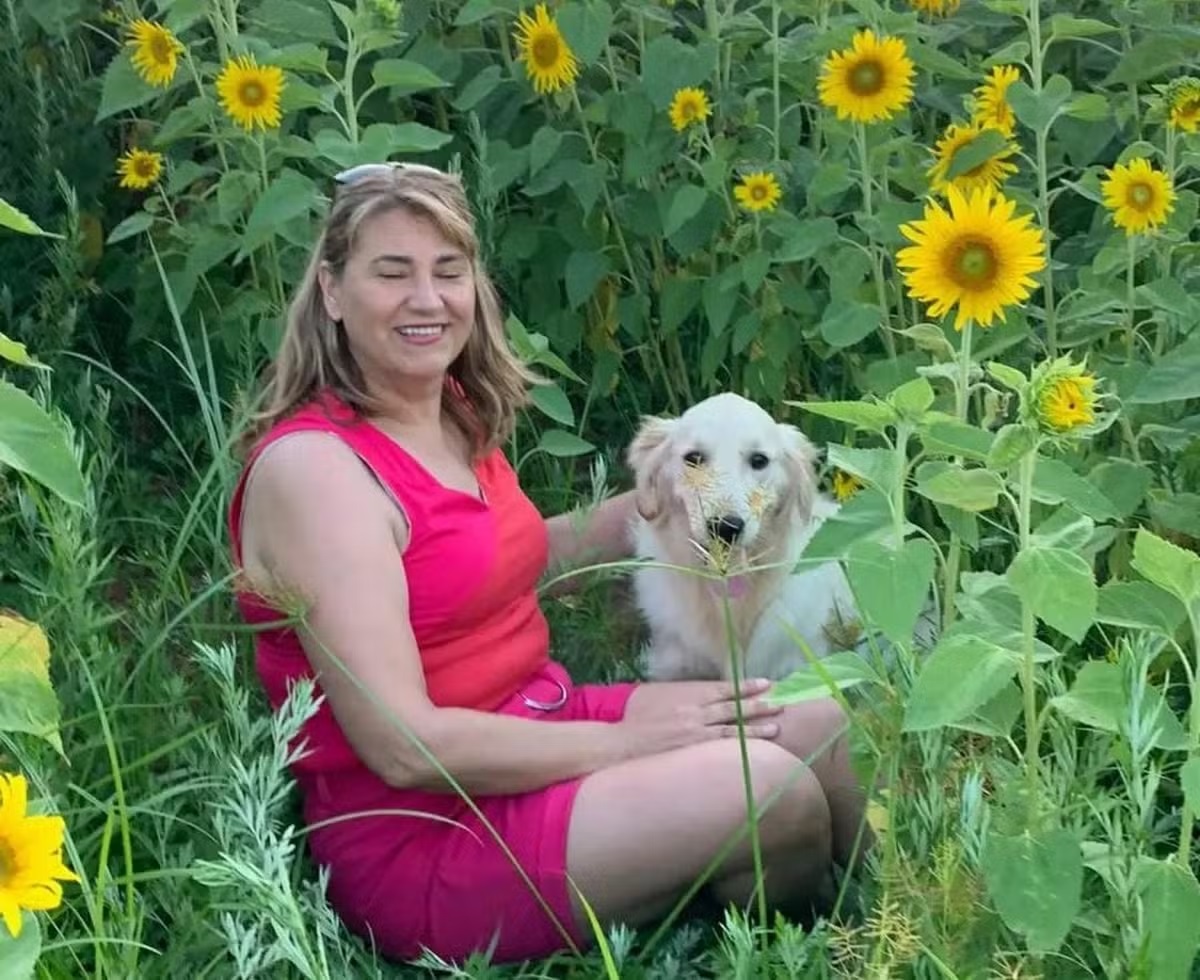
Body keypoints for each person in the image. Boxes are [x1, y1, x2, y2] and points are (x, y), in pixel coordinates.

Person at [227, 161, 870, 966]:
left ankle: (894, 922)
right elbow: (405, 749)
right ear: (331, 289)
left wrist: (680, 488)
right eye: (392, 273)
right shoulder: (316, 473)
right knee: (772, 789)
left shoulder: (446, 415)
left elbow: (498, 560)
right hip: (431, 834)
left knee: (827, 723)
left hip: (539, 724)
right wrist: (632, 746)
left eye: (448, 272)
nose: (427, 299)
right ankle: (781, 944)